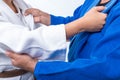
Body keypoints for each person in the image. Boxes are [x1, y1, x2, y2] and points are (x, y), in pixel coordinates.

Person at [7, 0, 120, 80]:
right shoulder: (93, 1)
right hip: (75, 70)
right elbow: (81, 22)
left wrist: (37, 67)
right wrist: (49, 19)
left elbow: (106, 69)